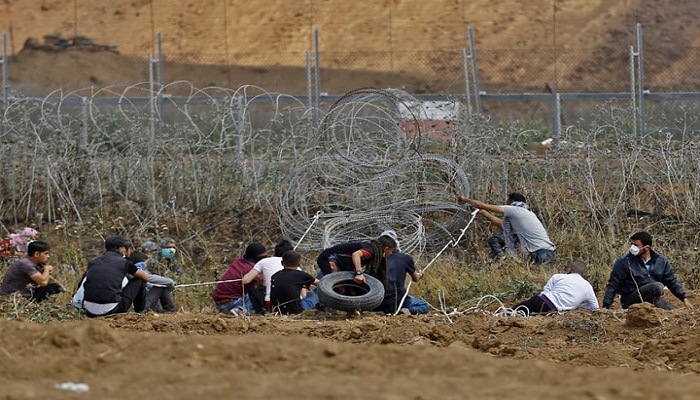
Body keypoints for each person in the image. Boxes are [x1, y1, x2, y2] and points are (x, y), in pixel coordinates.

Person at [603, 231, 692, 310]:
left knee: (673, 312)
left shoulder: (661, 261)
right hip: (630, 299)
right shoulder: (624, 262)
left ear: (647, 247)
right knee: (657, 286)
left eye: (636, 245)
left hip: (653, 298)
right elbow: (613, 284)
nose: (633, 248)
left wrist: (683, 298)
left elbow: (671, 281)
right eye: (632, 244)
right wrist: (606, 306)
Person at [458, 192, 556, 264]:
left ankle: (503, 259)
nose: (506, 202)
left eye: (507, 200)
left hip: (541, 254)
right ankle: (504, 260)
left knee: (495, 240)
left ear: (511, 201)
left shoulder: (515, 209)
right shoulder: (527, 212)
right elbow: (502, 225)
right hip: (547, 254)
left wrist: (465, 199)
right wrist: (485, 214)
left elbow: (482, 205)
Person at [82, 235, 149, 318]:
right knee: (139, 279)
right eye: (126, 247)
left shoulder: (93, 261)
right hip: (111, 310)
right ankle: (140, 312)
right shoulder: (124, 262)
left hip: (89, 311)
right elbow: (145, 277)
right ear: (120, 249)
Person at [512, 260, 599, 315]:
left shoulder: (558, 276)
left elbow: (545, 292)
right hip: (556, 311)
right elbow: (595, 307)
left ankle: (507, 314)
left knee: (520, 308)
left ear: (569, 269)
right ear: (582, 273)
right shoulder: (588, 286)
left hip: (544, 302)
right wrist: (577, 306)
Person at [374, 230, 430, 315]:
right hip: (399, 300)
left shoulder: (375, 259)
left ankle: (381, 311)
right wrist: (420, 274)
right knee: (423, 305)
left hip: (378, 302)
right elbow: (415, 279)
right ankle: (407, 310)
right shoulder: (405, 258)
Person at [211, 242, 267, 315]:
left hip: (219, 303)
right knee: (261, 293)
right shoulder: (251, 269)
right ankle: (241, 310)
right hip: (231, 303)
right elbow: (259, 285)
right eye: (263, 257)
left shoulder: (239, 261)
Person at [316, 235, 397, 285]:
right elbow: (356, 255)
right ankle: (325, 307)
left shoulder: (374, 250)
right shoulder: (372, 250)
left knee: (346, 287)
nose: (391, 253)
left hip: (340, 262)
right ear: (386, 248)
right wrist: (359, 273)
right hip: (328, 258)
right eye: (391, 250)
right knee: (336, 284)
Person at [242, 239, 294, 309]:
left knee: (254, 284)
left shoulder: (263, 261)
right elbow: (303, 294)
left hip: (269, 303)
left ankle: (246, 308)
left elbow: (245, 280)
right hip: (290, 305)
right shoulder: (295, 267)